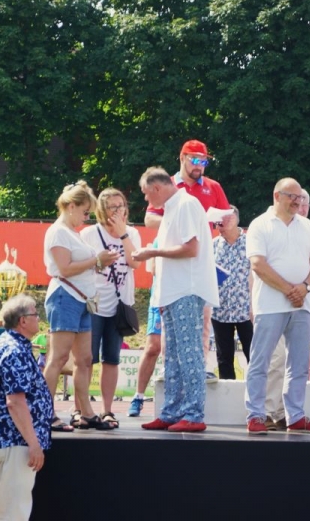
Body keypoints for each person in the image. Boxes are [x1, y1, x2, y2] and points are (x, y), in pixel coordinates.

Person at [133, 167, 219, 433]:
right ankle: (171, 411)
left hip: (186, 290)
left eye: (146, 194)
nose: (146, 200)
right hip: (172, 291)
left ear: (157, 188)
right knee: (171, 355)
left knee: (189, 352)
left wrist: (152, 253)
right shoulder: (173, 208)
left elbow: (191, 248)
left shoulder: (186, 204)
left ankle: (193, 413)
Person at [244, 178, 310, 435]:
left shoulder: (307, 225)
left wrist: (305, 288)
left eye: (299, 197)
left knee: (299, 364)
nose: (297, 201)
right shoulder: (260, 224)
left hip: (302, 305)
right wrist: (290, 290)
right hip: (270, 305)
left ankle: (295, 415)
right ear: (276, 196)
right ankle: (256, 415)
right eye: (292, 196)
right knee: (261, 361)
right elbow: (258, 265)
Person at [144, 139, 230, 381]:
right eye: (194, 160)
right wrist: (185, 223)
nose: (199, 166)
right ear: (182, 158)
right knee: (169, 318)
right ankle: (168, 368)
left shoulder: (213, 187)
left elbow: (227, 219)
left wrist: (224, 222)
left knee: (204, 317)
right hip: (172, 260)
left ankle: (201, 365)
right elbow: (149, 219)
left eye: (204, 161)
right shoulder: (167, 185)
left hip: (200, 261)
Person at [43, 181, 119, 432]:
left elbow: (80, 266)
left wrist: (100, 262)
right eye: (85, 212)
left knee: (85, 359)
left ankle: (86, 413)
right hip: (65, 297)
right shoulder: (58, 232)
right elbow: (64, 268)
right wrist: (96, 260)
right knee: (58, 358)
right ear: (71, 206)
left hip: (82, 300)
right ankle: (45, 412)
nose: (86, 218)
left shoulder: (71, 232)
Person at [0, 294, 53, 521]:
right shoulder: (14, 351)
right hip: (15, 440)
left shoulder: (8, 345)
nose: (39, 318)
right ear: (22, 320)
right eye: (35, 314)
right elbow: (15, 402)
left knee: (6, 512)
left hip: (10, 439)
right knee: (13, 514)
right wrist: (33, 443)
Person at [80, 188, 141, 429]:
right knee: (86, 360)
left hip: (119, 306)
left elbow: (135, 262)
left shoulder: (132, 233)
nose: (118, 211)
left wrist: (123, 234)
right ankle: (81, 410)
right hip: (93, 304)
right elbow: (82, 266)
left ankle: (107, 410)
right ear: (102, 211)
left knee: (112, 359)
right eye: (112, 207)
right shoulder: (89, 234)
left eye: (121, 205)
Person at [211, 205, 253, 379]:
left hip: (246, 311)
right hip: (220, 311)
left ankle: (257, 392)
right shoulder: (214, 245)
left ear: (234, 219)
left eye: (222, 222)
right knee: (224, 359)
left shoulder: (251, 243)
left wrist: (254, 305)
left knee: (253, 356)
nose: (218, 226)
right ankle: (228, 393)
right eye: (217, 223)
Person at [127, 251, 162, 418]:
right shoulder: (160, 240)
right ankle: (138, 397)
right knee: (153, 348)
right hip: (160, 299)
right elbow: (155, 269)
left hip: (183, 299)